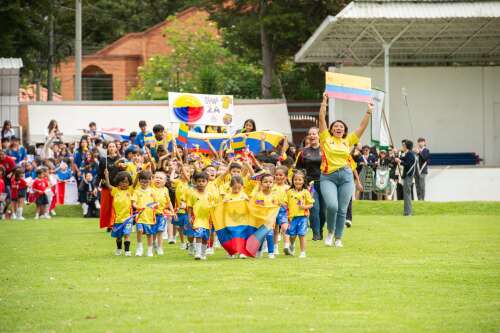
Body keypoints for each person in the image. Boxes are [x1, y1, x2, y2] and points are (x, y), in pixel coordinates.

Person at [318, 92, 372, 248]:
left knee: (342, 209)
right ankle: (330, 232)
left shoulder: (348, 141)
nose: (338, 128)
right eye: (335, 126)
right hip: (328, 176)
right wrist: (324, 102)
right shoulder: (325, 138)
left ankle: (339, 238)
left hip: (346, 176)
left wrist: (368, 111)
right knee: (332, 206)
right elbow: (321, 118)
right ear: (331, 130)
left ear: (344, 130)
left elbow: (362, 127)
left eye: (341, 127)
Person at [295, 127, 326, 240]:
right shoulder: (303, 152)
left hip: (325, 183)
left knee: (323, 211)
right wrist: (303, 182)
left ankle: (320, 229)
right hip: (310, 184)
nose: (312, 136)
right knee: (314, 209)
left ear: (319, 136)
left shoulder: (325, 150)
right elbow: (298, 169)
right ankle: (316, 234)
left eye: (314, 134)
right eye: (310, 134)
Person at [187, 171, 217, 260]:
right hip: (197, 219)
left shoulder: (210, 195)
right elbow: (190, 206)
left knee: (205, 237)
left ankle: (203, 253)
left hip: (207, 219)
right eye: (199, 181)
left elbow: (213, 207)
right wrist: (189, 216)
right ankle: (198, 253)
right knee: (198, 234)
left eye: (203, 181)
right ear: (195, 182)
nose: (201, 183)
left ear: (207, 182)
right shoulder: (192, 194)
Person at [285, 170, 314, 258]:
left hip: (303, 217)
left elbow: (311, 204)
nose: (297, 181)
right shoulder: (289, 192)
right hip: (292, 217)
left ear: (303, 181)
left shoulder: (306, 192)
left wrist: (304, 207)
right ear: (293, 181)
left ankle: (302, 252)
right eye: (295, 179)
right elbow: (285, 203)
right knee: (292, 235)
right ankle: (292, 245)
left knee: (302, 234)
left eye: (300, 180)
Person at [104, 169, 133, 256]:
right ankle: (119, 249)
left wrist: (138, 175)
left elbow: (135, 184)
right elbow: (108, 185)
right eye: (122, 182)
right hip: (117, 219)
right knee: (119, 237)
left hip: (128, 218)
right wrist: (106, 175)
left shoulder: (130, 190)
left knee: (127, 234)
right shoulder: (115, 191)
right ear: (118, 182)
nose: (124, 184)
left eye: (126, 182)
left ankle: (127, 251)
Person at [249, 173, 278, 259]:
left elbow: (276, 207)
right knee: (260, 237)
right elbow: (252, 206)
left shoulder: (274, 195)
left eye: (270, 182)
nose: (268, 184)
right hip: (259, 221)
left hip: (269, 221)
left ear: (273, 183)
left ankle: (271, 252)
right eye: (265, 182)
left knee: (269, 235)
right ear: (261, 183)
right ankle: (258, 251)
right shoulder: (257, 195)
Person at [132, 170, 158, 257]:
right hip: (139, 216)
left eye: (146, 182)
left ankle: (150, 250)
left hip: (149, 217)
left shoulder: (152, 191)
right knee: (139, 230)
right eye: (142, 181)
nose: (144, 183)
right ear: (139, 181)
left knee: (149, 234)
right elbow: (133, 203)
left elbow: (156, 203)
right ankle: (139, 247)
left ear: (150, 181)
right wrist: (137, 207)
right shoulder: (136, 191)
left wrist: (154, 206)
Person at [96, 142, 121, 230]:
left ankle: (113, 224)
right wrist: (96, 186)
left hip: (117, 187)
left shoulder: (120, 159)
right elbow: (99, 174)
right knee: (106, 207)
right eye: (109, 146)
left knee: (115, 206)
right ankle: (107, 224)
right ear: (107, 149)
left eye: (113, 146)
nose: (111, 148)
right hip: (105, 187)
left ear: (116, 148)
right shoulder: (103, 160)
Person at [152, 171, 175, 256]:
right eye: (156, 177)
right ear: (153, 179)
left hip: (161, 214)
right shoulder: (151, 188)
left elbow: (168, 201)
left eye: (160, 178)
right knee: (153, 232)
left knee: (160, 231)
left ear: (165, 182)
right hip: (152, 214)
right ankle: (153, 243)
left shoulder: (165, 190)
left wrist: (172, 211)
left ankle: (160, 247)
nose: (158, 179)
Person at [395, 140, 416, 216]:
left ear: (406, 146)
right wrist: (397, 154)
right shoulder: (407, 154)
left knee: (407, 194)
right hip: (406, 176)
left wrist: (399, 161)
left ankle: (408, 212)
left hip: (408, 176)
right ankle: (406, 212)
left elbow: (407, 164)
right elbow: (402, 158)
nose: (402, 147)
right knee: (406, 194)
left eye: (403, 146)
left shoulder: (410, 154)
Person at [272, 166, 289, 255]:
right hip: (273, 210)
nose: (278, 177)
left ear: (285, 177)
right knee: (275, 230)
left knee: (285, 227)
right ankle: (275, 247)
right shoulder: (271, 186)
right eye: (276, 175)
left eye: (281, 175)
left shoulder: (288, 188)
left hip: (284, 210)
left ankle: (286, 246)